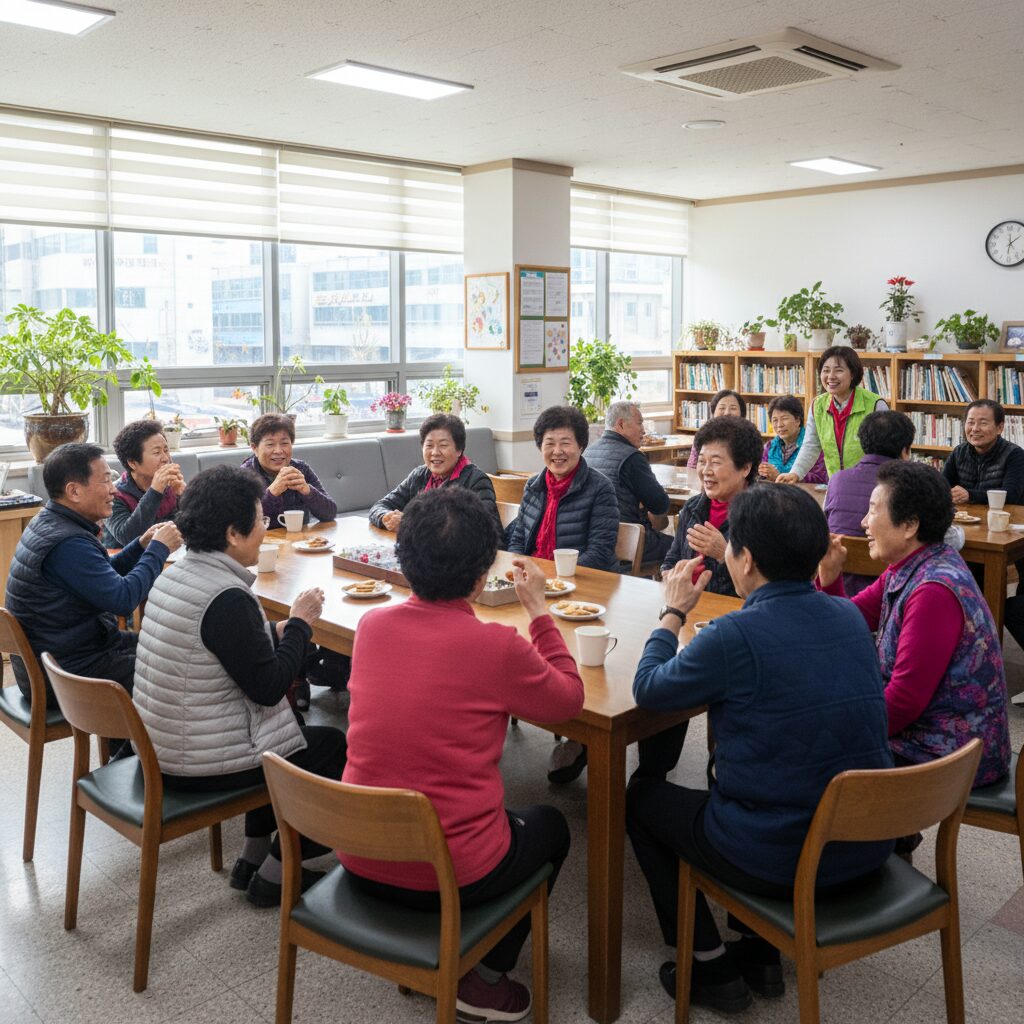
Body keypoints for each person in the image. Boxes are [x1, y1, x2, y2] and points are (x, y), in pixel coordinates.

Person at [628, 485, 894, 1014]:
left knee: (642, 797)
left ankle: (709, 966)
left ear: (744, 559)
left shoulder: (735, 635)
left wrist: (672, 613)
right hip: (867, 840)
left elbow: (650, 690)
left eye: (731, 548)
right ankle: (760, 953)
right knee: (776, 763)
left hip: (782, 856)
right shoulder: (846, 616)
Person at [341, 488, 584, 1023]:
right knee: (551, 826)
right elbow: (569, 700)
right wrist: (539, 611)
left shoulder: (371, 627)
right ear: (481, 576)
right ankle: (485, 976)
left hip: (358, 852)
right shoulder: (496, 646)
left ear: (405, 560)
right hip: (449, 873)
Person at [132, 465, 347, 908]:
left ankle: (250, 858)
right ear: (233, 533)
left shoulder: (177, 573)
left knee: (282, 733)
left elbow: (218, 646)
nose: (265, 529)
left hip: (164, 747)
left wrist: (276, 631)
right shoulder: (226, 596)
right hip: (199, 763)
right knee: (330, 749)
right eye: (260, 521)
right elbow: (268, 687)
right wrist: (301, 627)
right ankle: (274, 873)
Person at [817, 460, 1010, 790]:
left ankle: (876, 836)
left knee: (810, 753)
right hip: (928, 730)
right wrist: (831, 578)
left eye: (873, 511)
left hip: (952, 750)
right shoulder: (910, 564)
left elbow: (904, 702)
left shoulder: (933, 590)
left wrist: (838, 729)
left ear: (909, 525)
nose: (863, 522)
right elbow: (847, 623)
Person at [5, 442, 181, 707]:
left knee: (171, 647)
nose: (113, 489)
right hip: (64, 673)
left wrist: (141, 545)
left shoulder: (52, 521)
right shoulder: (67, 543)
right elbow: (123, 600)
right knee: (179, 670)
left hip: (69, 652)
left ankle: (127, 745)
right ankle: (135, 747)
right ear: (74, 491)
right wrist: (158, 549)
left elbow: (104, 575)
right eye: (106, 481)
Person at [504, 405, 619, 573]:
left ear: (581, 446)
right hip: (535, 575)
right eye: (549, 443)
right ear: (540, 447)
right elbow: (518, 539)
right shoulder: (533, 486)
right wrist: (520, 568)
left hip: (582, 579)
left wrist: (556, 574)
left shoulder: (600, 488)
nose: (557, 451)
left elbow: (600, 552)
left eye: (565, 443)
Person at [660, 416, 763, 593]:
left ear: (745, 468)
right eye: (701, 461)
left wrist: (724, 554)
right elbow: (672, 558)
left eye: (715, 462)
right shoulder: (693, 507)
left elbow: (762, 586)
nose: (706, 471)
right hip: (688, 603)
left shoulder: (762, 514)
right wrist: (669, 574)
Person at [824, 410, 918, 595]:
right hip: (892, 588)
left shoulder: (837, 479)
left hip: (839, 582)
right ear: (905, 451)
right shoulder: (910, 483)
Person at [369, 412, 498, 532]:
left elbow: (486, 529)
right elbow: (380, 506)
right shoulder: (419, 475)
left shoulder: (476, 480)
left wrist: (412, 523)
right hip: (422, 551)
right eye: (429, 446)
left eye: (443, 445)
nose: (435, 453)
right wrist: (386, 517)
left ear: (459, 449)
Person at [777, 346, 888, 482]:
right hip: (835, 484)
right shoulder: (817, 405)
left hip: (870, 484)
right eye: (826, 370)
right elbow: (811, 445)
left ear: (852, 374)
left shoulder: (876, 405)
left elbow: (887, 453)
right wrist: (795, 473)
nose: (830, 377)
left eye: (838, 370)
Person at [587, 400, 672, 563]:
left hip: (593, 540)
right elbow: (660, 504)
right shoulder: (631, 457)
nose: (644, 430)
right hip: (626, 542)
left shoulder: (588, 452)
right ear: (621, 424)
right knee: (682, 548)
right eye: (639, 423)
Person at [241, 413, 337, 526]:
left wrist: (308, 491)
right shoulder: (244, 476)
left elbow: (330, 513)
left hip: (302, 542)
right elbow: (243, 521)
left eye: (284, 443)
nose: (278, 450)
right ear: (255, 448)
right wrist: (272, 493)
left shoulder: (301, 469)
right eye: (270, 444)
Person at [102, 419, 185, 548]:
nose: (166, 458)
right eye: (157, 452)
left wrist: (184, 497)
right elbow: (129, 538)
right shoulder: (112, 496)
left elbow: (193, 528)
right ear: (132, 463)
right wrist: (154, 491)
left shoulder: (172, 486)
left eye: (166, 450)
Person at [941, 399, 1024, 505]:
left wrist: (970, 495)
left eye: (983, 423)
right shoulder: (959, 452)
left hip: (1002, 518)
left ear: (1000, 428)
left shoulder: (1015, 455)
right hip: (965, 518)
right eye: (970, 422)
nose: (975, 429)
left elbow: (1010, 495)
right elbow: (942, 486)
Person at [757, 394, 826, 483]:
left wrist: (779, 476)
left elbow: (820, 478)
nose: (779, 425)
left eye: (784, 419)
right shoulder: (769, 447)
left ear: (798, 420)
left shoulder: (813, 444)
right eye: (775, 420)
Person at [686, 389, 746, 469]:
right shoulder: (703, 435)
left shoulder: (747, 436)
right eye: (722, 408)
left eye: (733, 408)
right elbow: (692, 467)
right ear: (713, 412)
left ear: (742, 413)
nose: (727, 412)